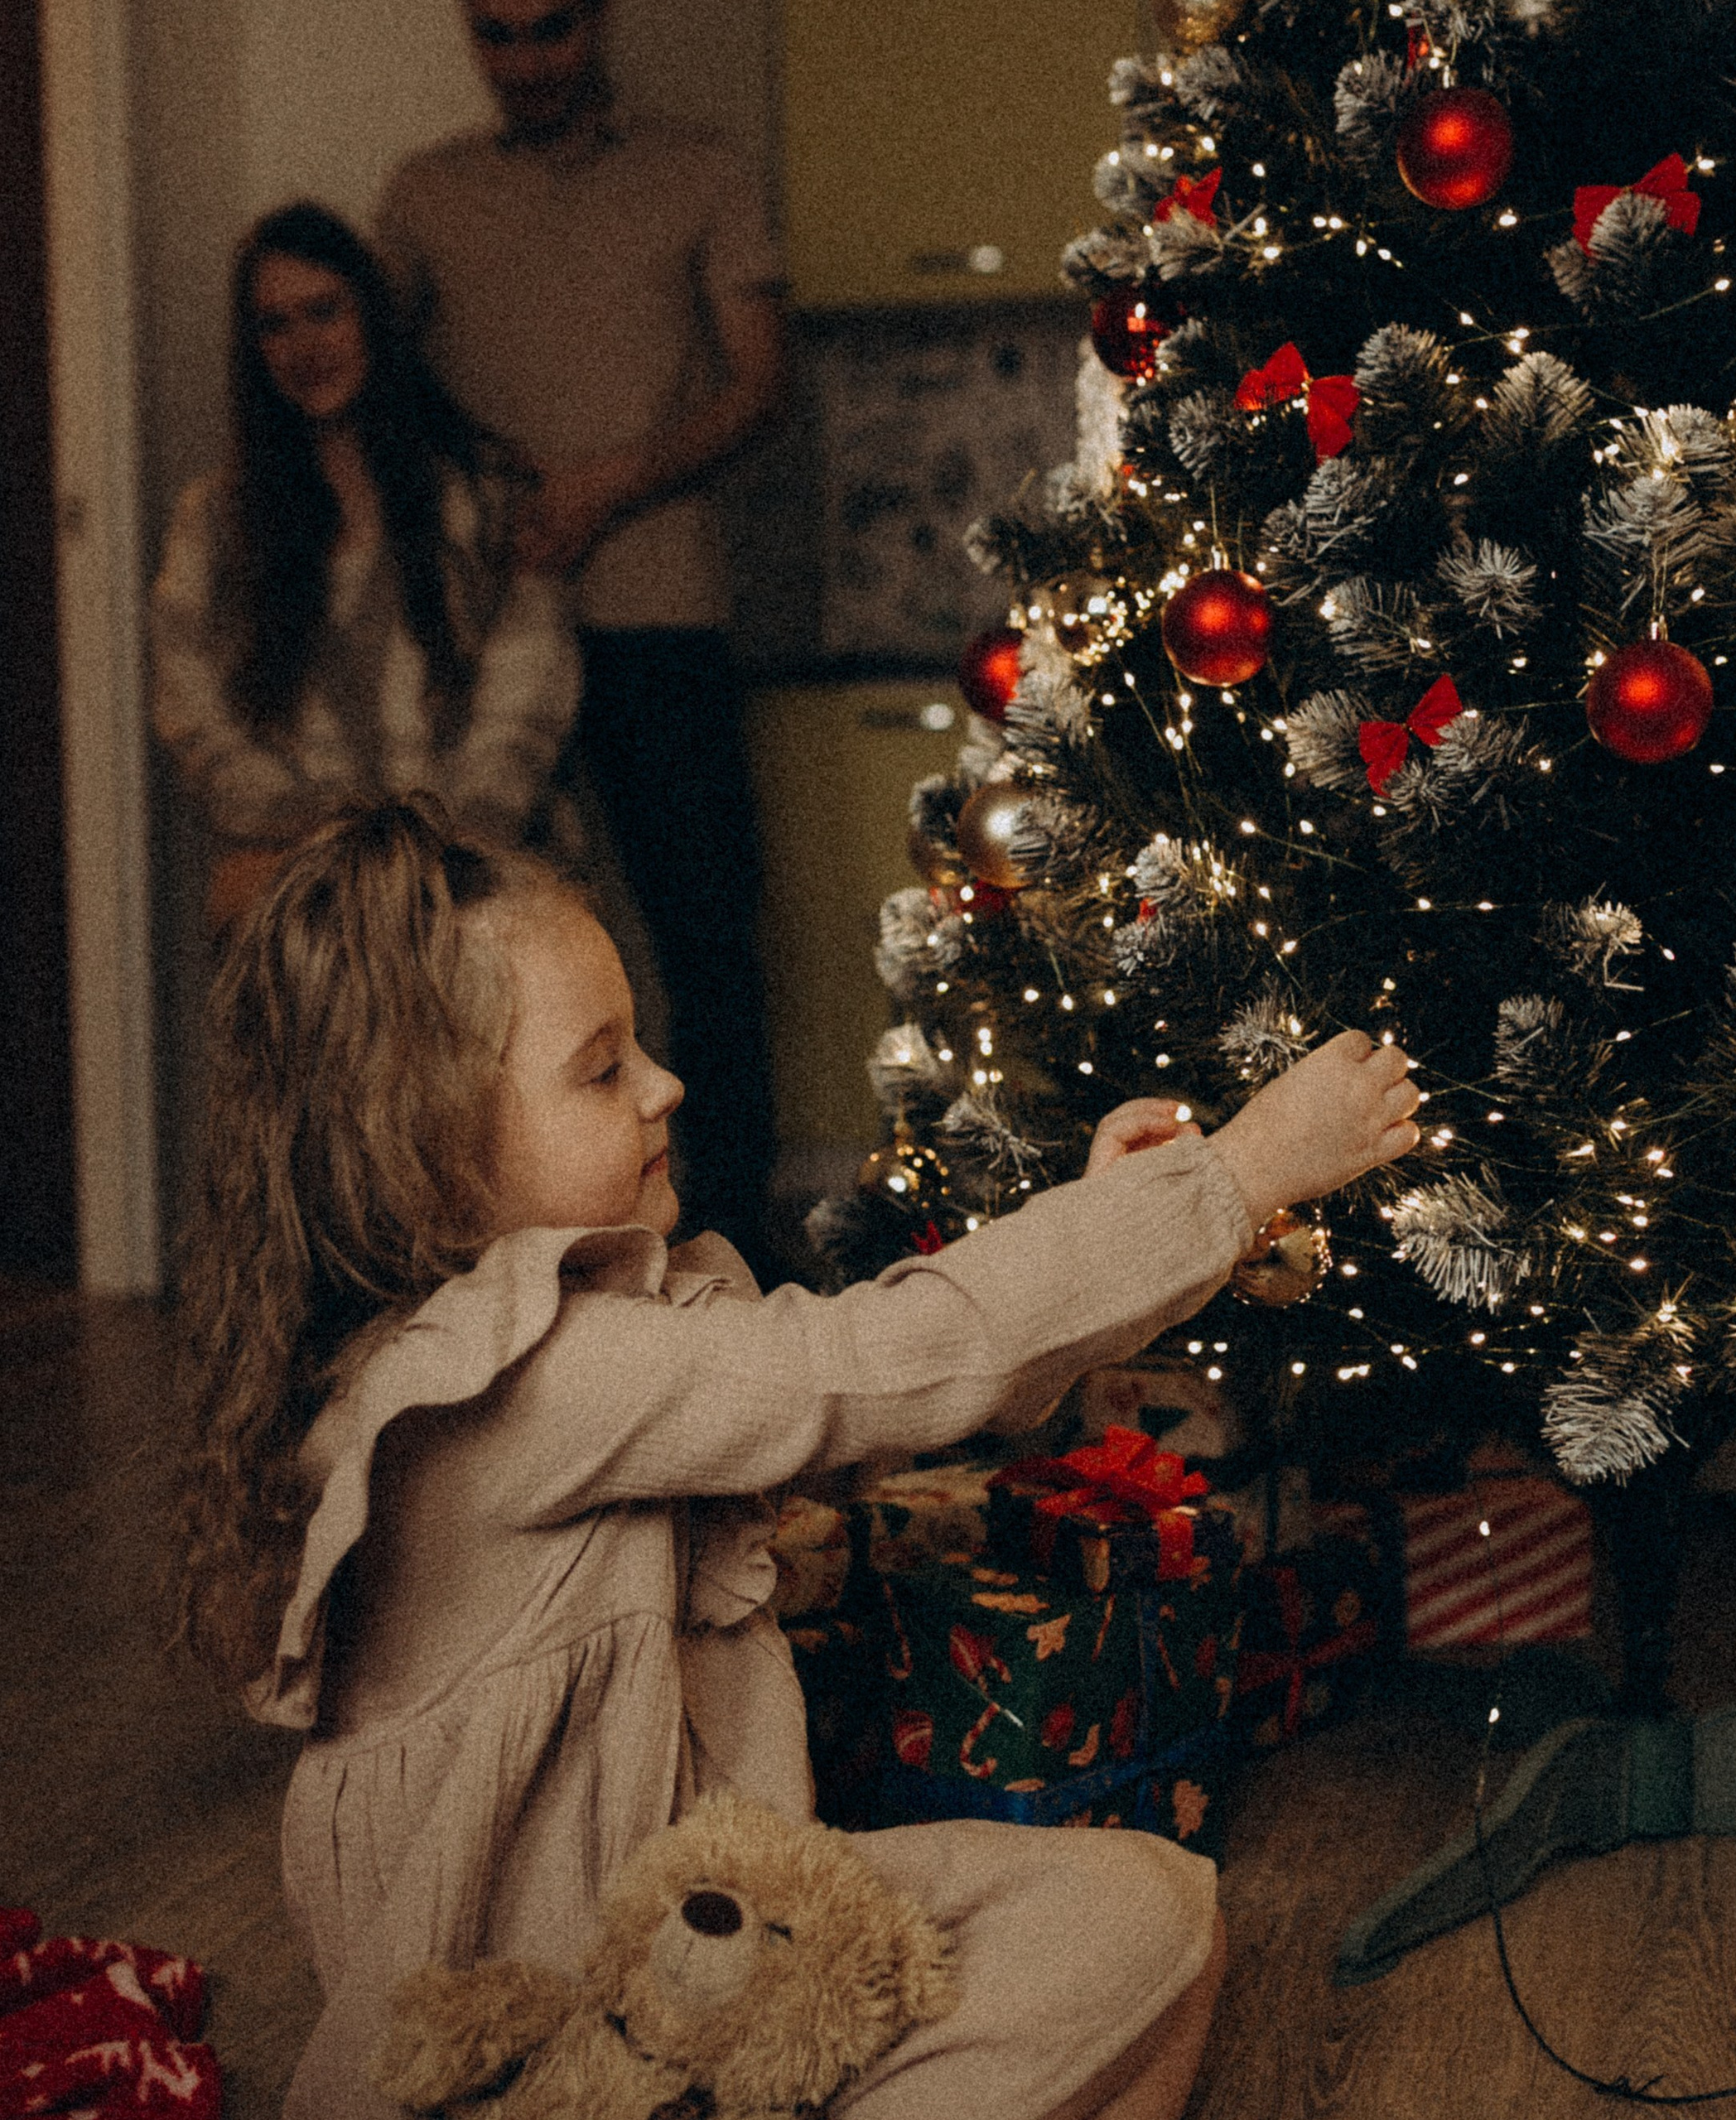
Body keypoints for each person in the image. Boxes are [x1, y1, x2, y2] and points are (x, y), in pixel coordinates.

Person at [166, 799, 1422, 2120]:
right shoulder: (529, 1376)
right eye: (601, 1071)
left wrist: (1107, 1225)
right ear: (422, 1147)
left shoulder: (556, 1342)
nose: (664, 1086)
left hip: (696, 1914)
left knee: (1156, 1906)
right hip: (567, 1994)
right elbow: (881, 1360)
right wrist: (1236, 1177)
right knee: (1137, 1936)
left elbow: (880, 1390)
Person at [375, 0, 786, 1268]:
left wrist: (606, 484)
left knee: (706, 945)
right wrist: (486, 503)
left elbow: (759, 382)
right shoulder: (426, 196)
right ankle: (486, 1254)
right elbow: (367, 380)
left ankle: (727, 1254)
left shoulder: (700, 169)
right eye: (497, 36)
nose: (526, 62)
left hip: (658, 610)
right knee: (479, 949)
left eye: (549, 31)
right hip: (490, 644)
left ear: (594, 27)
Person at [148, 202, 581, 936]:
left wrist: (439, 856)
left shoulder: (479, 498)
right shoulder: (217, 522)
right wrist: (319, 844)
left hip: (471, 879)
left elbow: (528, 701)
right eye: (274, 325)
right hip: (304, 888)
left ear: (372, 318)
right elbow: (194, 712)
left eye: (324, 311)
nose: (303, 345)